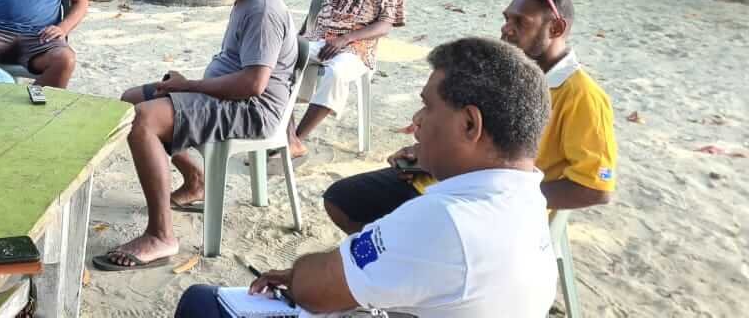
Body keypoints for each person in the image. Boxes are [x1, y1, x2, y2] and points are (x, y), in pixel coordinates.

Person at [174, 37, 557, 318]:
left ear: (470, 123)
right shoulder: (529, 198)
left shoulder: (448, 220)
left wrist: (301, 274)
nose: (418, 121)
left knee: (201, 303)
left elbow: (317, 290)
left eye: (428, 106)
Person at [323, 0, 616, 235]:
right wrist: (424, 153)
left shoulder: (582, 96)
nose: (506, 29)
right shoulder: (509, 71)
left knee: (392, 233)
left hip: (488, 207)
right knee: (341, 200)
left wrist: (502, 195)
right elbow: (472, 134)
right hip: (447, 180)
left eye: (520, 22)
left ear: (556, 27)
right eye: (506, 19)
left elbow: (596, 189)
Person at [92, 0, 298, 271]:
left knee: (144, 121)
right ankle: (195, 180)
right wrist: (189, 87)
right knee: (130, 101)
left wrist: (193, 86)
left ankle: (161, 236)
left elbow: (253, 84)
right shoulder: (247, 0)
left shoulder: (263, 11)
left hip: (251, 110)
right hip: (230, 97)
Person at [288, 0, 405, 159]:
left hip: (358, 48)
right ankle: (285, 134)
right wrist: (299, 37)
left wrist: (345, 39)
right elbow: (315, 8)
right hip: (318, 38)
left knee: (336, 72)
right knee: (279, 59)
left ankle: (297, 139)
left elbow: (385, 25)